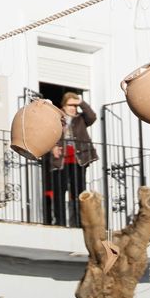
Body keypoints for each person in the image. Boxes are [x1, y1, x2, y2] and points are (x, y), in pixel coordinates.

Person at [44, 92, 97, 226]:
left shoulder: (81, 119)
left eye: (75, 105)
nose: (74, 108)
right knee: (59, 193)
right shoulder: (55, 118)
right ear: (63, 106)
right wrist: (52, 147)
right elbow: (47, 133)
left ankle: (79, 223)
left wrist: (81, 103)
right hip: (60, 162)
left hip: (78, 162)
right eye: (71, 105)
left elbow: (92, 116)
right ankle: (60, 222)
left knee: (78, 193)